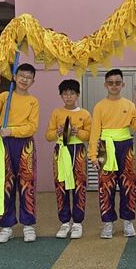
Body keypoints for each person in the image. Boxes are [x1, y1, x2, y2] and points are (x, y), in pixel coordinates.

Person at [0, 63, 40, 243]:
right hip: (5, 144)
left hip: (25, 145)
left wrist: (12, 131)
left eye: (29, 77)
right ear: (15, 77)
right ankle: (6, 226)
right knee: (6, 183)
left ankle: (28, 225)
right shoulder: (5, 96)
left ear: (33, 81)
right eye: (21, 76)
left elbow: (32, 127)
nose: (24, 79)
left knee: (26, 184)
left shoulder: (33, 101)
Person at [89, 68, 136, 239]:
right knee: (106, 185)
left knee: (128, 184)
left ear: (122, 84)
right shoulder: (99, 106)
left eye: (117, 83)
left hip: (125, 145)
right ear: (105, 85)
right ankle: (108, 222)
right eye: (110, 83)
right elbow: (95, 132)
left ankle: (128, 221)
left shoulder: (130, 105)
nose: (114, 86)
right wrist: (93, 155)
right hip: (105, 146)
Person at [45, 79, 91, 240]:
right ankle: (65, 222)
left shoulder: (85, 114)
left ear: (78, 95)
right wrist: (57, 133)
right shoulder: (56, 113)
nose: (68, 96)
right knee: (61, 185)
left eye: (72, 93)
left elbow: (90, 135)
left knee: (79, 185)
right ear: (61, 96)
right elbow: (48, 135)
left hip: (78, 151)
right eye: (65, 94)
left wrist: (78, 132)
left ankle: (77, 222)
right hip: (61, 150)